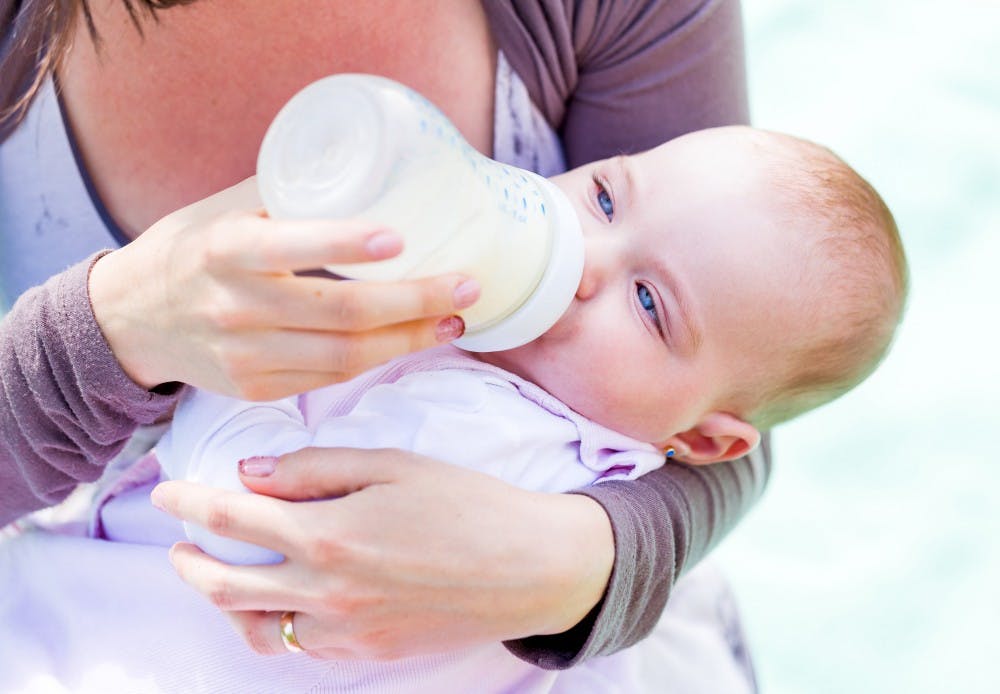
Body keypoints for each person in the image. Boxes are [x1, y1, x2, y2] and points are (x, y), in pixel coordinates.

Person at [0, 0, 768, 684]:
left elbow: (739, 394)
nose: (585, 270)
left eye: (642, 299)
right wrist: (111, 332)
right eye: (599, 200)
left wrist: (578, 563)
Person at [143, 125, 906, 692]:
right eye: (604, 197)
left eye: (647, 303)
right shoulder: (508, 350)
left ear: (701, 439)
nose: (582, 255)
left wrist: (217, 372)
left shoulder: (491, 431)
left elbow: (252, 524)